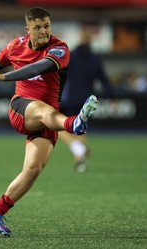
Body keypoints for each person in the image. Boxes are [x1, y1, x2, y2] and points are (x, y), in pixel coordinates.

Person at [0, 7, 98, 236]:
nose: (43, 31)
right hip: (22, 108)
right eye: (37, 27)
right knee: (43, 110)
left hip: (46, 119)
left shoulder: (60, 49)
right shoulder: (15, 46)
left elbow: (38, 67)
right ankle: (74, 124)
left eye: (47, 26)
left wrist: (5, 76)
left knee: (32, 170)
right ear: (27, 29)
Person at [59, 30, 114, 173]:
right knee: (80, 131)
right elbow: (104, 80)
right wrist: (112, 98)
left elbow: (60, 77)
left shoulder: (71, 56)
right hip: (87, 101)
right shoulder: (95, 59)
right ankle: (80, 163)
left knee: (57, 127)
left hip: (70, 99)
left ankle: (80, 150)